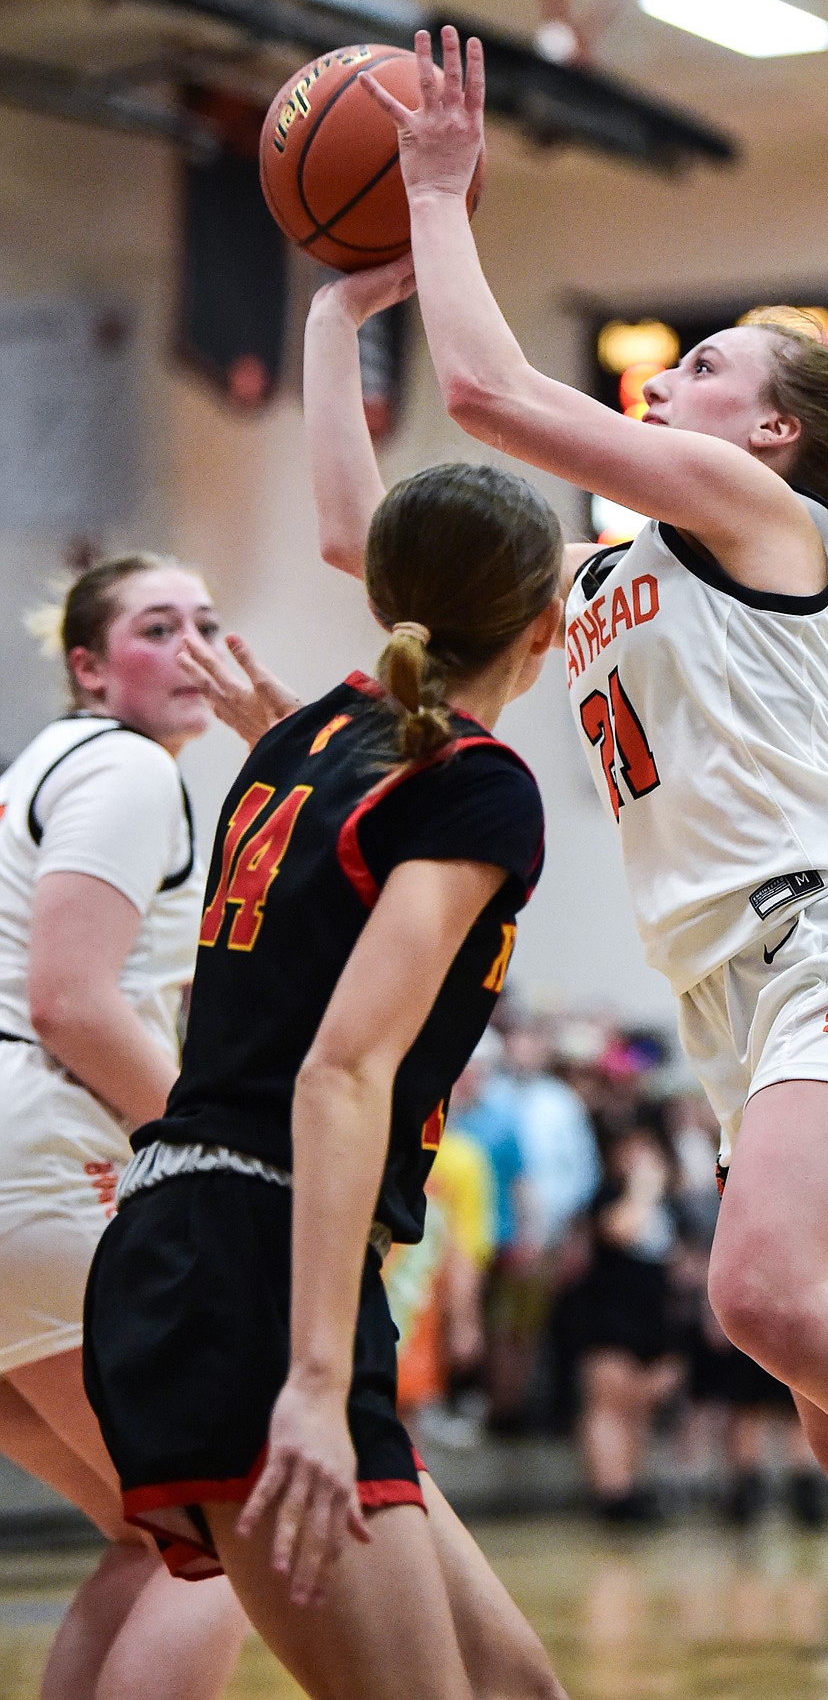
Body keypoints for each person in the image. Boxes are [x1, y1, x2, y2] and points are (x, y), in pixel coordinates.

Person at [309, 26, 828, 1700]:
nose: (664, 385)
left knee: (762, 1289)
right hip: (732, 996)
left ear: (768, 434)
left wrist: (434, 200)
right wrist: (338, 318)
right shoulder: (615, 567)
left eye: (699, 368)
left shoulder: (775, 526)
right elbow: (370, 551)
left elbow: (488, 393)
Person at [82, 461, 572, 1700]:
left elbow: (339, 834)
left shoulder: (299, 740)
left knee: (522, 1689)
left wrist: (344, 311)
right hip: (257, 1269)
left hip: (196, 1245)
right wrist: (310, 1380)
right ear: (548, 623)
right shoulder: (479, 783)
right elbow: (342, 1068)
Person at [0, 555, 248, 1700]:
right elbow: (72, 1001)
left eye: (206, 621)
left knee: (154, 1534)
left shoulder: (41, 769)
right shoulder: (127, 769)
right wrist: (222, 1160)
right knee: (229, 1533)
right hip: (39, 1165)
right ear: (90, 667)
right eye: (159, 627)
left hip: (19, 1184)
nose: (193, 643)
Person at [575, 1123, 685, 1522]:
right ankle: (611, 1492)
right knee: (609, 1402)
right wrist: (642, 1190)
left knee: (640, 1407)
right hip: (610, 1315)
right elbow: (618, 1230)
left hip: (653, 1317)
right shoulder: (607, 1196)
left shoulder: (670, 1206)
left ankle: (632, 1487)